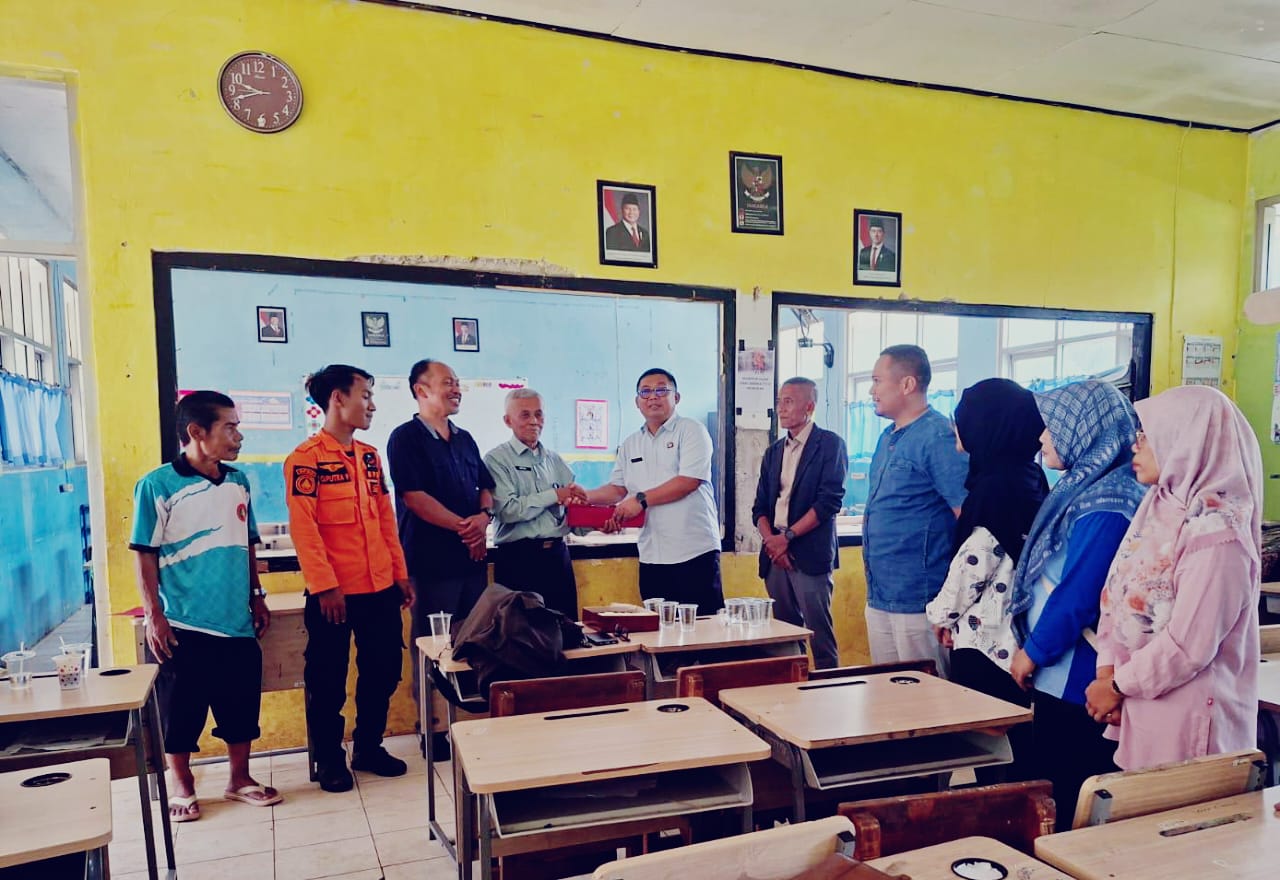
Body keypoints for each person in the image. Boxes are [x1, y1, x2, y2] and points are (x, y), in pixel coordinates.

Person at [1084, 386, 1262, 771]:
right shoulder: (1159, 505)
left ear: (1186, 441)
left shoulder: (1218, 532)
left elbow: (1189, 645)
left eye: (1147, 436)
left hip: (1189, 722)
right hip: (1141, 704)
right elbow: (1116, 594)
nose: (1135, 446)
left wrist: (1116, 686)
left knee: (1177, 809)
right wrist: (1108, 671)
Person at [130, 390, 280, 822]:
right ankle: (183, 783)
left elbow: (248, 543)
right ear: (197, 431)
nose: (239, 436)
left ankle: (240, 779)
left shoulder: (238, 481)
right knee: (180, 711)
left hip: (236, 621)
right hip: (182, 622)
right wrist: (154, 616)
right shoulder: (157, 485)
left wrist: (256, 596)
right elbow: (144, 554)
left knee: (240, 704)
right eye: (230, 427)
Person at [1007, 380, 1148, 829]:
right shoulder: (1091, 488)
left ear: (1084, 429)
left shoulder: (1108, 502)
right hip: (1064, 670)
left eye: (1052, 426)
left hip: (1079, 677)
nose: (1042, 437)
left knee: (1069, 794)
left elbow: (1080, 594)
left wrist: (1034, 651)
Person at [286, 365, 414, 792]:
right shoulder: (306, 460)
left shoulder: (370, 457)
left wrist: (399, 574)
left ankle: (368, 747)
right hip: (334, 595)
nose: (372, 405)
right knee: (328, 680)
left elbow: (385, 521)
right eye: (365, 395)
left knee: (383, 670)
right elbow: (304, 529)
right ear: (338, 398)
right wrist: (325, 586)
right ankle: (329, 758)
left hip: (380, 588)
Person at [926, 378, 1049, 781]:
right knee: (1017, 742)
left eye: (963, 420)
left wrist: (942, 616)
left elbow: (974, 565)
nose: (956, 428)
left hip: (986, 642)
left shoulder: (994, 488)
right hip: (1017, 636)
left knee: (994, 750)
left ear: (987, 425)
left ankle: (1004, 816)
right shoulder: (1030, 476)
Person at [862, 345, 968, 674]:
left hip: (920, 599)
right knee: (887, 692)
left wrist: (952, 600)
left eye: (877, 381)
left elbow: (966, 518)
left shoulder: (937, 437)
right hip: (880, 594)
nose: (872, 391)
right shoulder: (887, 438)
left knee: (928, 696)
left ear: (907, 384)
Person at [584, 368, 723, 614]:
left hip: (694, 551)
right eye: (645, 392)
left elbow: (688, 481)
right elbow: (618, 488)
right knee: (657, 628)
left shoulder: (692, 430)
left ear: (676, 397)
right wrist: (584, 497)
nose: (652, 397)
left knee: (703, 628)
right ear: (637, 402)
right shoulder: (630, 443)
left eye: (661, 390)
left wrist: (640, 500)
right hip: (652, 555)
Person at [752, 377, 848, 668]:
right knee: (785, 636)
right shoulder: (773, 452)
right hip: (775, 554)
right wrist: (772, 542)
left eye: (789, 401)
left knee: (819, 634)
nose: (781, 408)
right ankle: (792, 689)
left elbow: (829, 502)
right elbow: (760, 507)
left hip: (808, 553)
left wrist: (788, 538)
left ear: (809, 407)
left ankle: (829, 687)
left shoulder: (830, 445)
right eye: (779, 401)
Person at [484, 388, 586, 617]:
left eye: (539, 414)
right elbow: (508, 511)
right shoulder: (496, 459)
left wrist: (599, 522)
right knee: (521, 632)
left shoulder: (555, 461)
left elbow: (572, 517)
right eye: (525, 415)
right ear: (507, 421)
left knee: (566, 630)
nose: (534, 421)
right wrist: (554, 495)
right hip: (518, 559)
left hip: (557, 557)